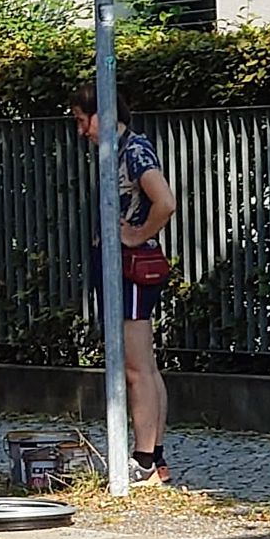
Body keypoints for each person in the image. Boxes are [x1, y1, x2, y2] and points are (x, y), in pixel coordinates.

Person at [72, 85, 177, 488]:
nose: (83, 131)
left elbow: (164, 201)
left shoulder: (133, 151)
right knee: (145, 366)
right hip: (120, 262)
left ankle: (143, 460)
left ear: (103, 115)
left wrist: (135, 235)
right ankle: (156, 457)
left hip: (130, 266)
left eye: (84, 121)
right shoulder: (116, 152)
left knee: (135, 368)